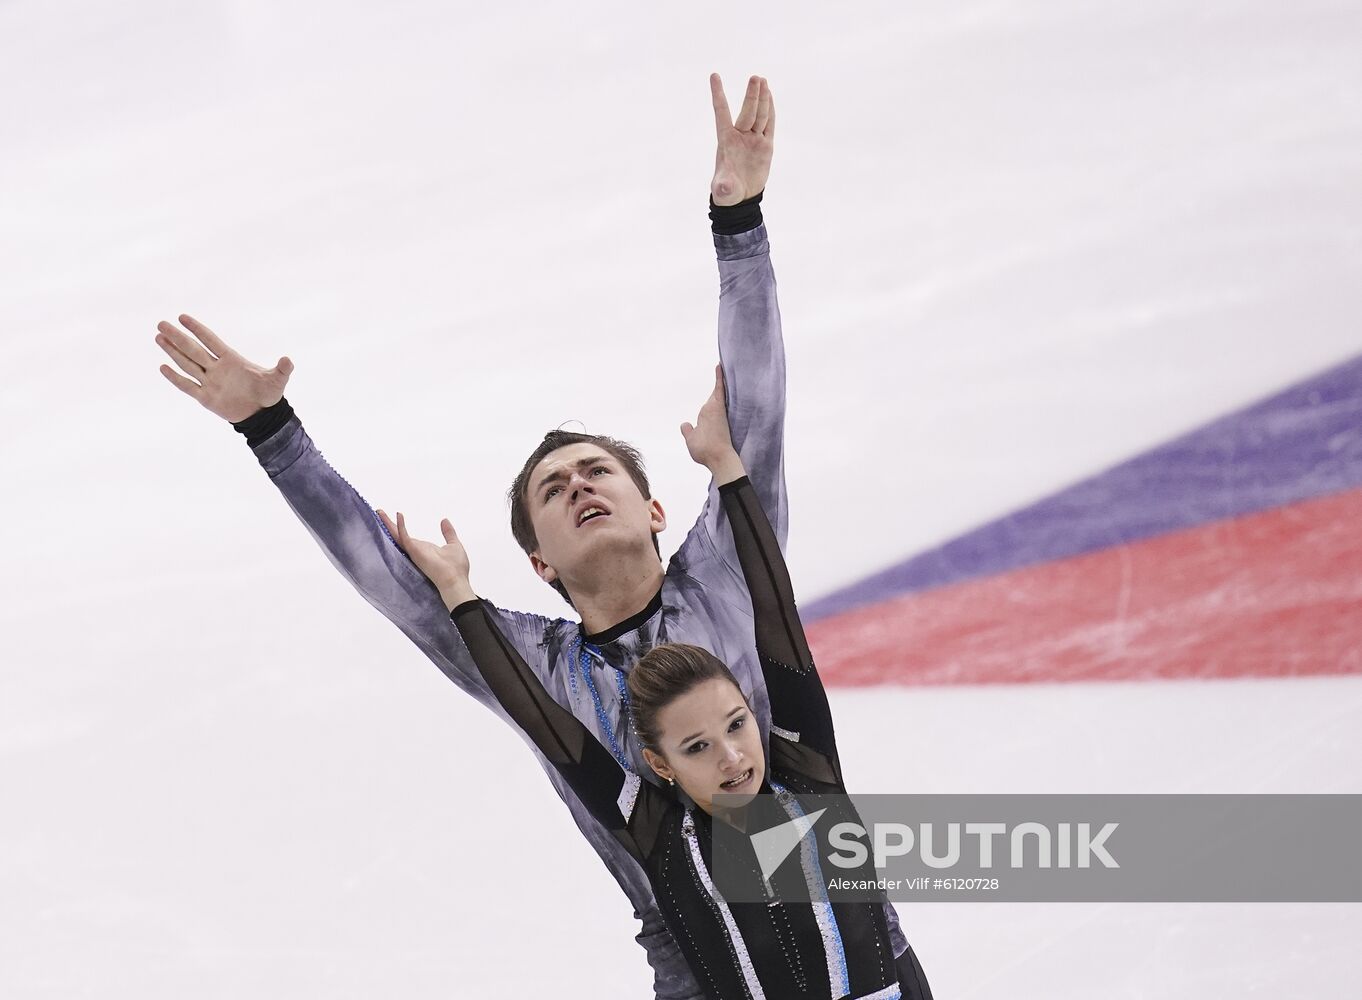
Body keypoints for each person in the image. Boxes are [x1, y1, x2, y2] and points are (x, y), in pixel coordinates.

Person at [153, 74, 911, 997]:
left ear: (656, 508)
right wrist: (275, 435)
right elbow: (384, 575)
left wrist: (738, 222)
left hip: (858, 942)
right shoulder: (528, 663)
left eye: (599, 472)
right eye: (555, 489)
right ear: (539, 562)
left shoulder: (722, 578)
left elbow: (755, 416)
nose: (581, 484)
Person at [395, 367, 933, 999]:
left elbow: (778, 615)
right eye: (698, 746)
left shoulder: (809, 776)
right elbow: (545, 721)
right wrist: (459, 597)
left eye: (736, 725)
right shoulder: (661, 842)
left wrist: (730, 468)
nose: (733, 755)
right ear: (660, 765)